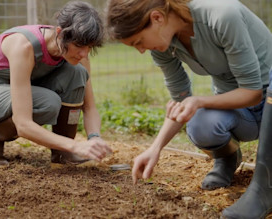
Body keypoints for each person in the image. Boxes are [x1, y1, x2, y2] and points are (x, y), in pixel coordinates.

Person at [106, 0, 272, 217]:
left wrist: (200, 101)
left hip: (265, 97)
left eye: (139, 41)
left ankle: (264, 188)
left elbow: (252, 93)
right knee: (200, 123)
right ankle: (227, 159)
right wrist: (155, 148)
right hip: (242, 111)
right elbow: (180, 102)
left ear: (157, 18)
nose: (141, 50)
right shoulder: (164, 45)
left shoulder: (222, 15)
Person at [0, 1, 112, 169]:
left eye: (89, 47)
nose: (84, 53)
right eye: (78, 46)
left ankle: (62, 155)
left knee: (77, 72)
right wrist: (76, 146)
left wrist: (94, 137)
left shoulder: (79, 54)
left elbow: (89, 107)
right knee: (48, 102)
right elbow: (23, 124)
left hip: (22, 91)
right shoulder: (23, 46)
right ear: (60, 33)